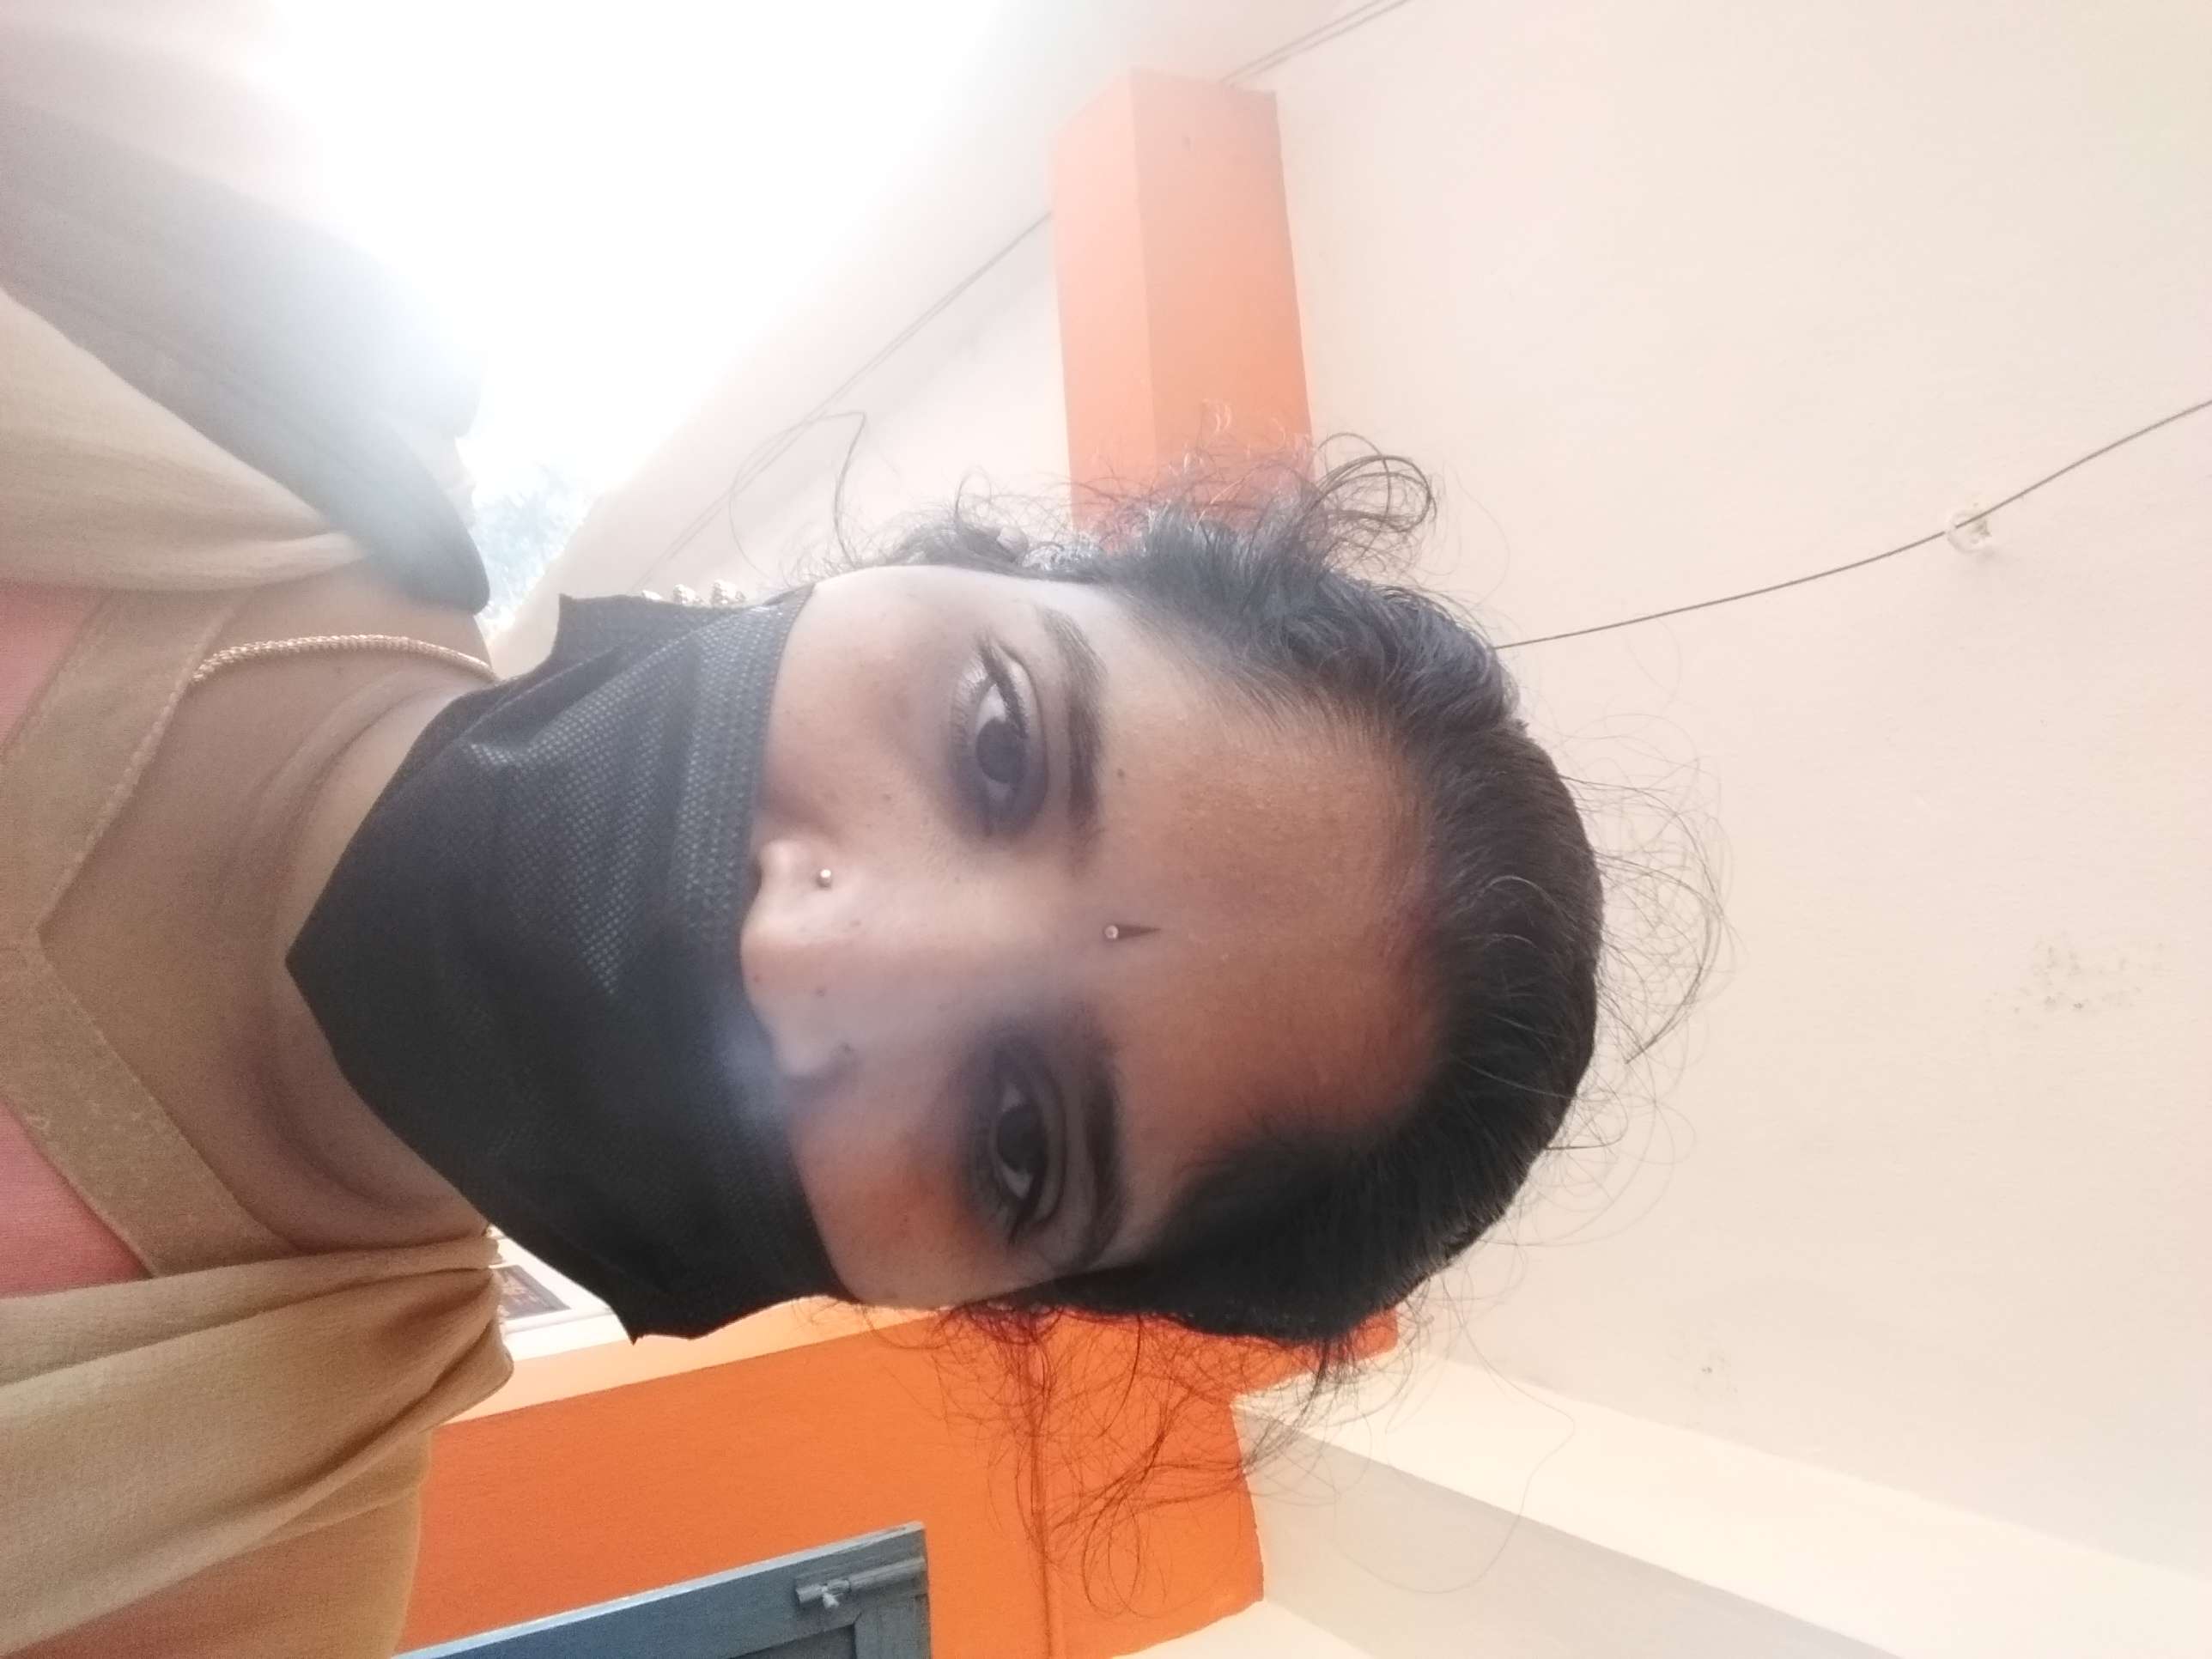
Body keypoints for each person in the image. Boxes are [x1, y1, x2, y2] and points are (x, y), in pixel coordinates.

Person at [0, 15, 1602, 1657]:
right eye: (998, 744)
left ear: (975, 1301)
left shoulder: (213, 1586)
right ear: (959, 563)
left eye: (1018, 1145)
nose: (800, 948)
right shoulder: (223, 249)